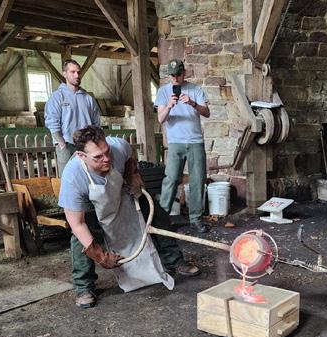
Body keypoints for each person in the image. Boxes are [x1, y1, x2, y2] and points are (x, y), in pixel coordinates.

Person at [58, 126, 200, 309]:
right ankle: (83, 286)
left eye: (106, 152)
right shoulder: (73, 177)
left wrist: (132, 174)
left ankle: (174, 260)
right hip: (92, 202)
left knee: (157, 214)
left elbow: (129, 156)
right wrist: (100, 257)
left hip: (120, 188)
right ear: (81, 156)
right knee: (82, 236)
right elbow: (77, 224)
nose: (106, 159)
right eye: (98, 157)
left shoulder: (118, 147)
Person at [154, 59, 210, 233]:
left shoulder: (195, 89)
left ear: (184, 73)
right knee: (171, 179)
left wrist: (193, 103)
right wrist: (169, 106)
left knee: (197, 181)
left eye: (178, 74)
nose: (175, 78)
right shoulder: (163, 92)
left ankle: (196, 219)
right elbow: (160, 119)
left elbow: (207, 113)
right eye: (172, 75)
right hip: (175, 142)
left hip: (195, 142)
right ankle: (163, 220)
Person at [45, 59, 101, 177]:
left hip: (86, 145)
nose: (77, 75)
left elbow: (96, 122)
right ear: (64, 74)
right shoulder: (57, 97)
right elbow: (52, 122)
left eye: (78, 72)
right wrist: (61, 143)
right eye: (73, 72)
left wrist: (94, 142)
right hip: (66, 145)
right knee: (68, 178)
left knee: (89, 176)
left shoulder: (88, 98)